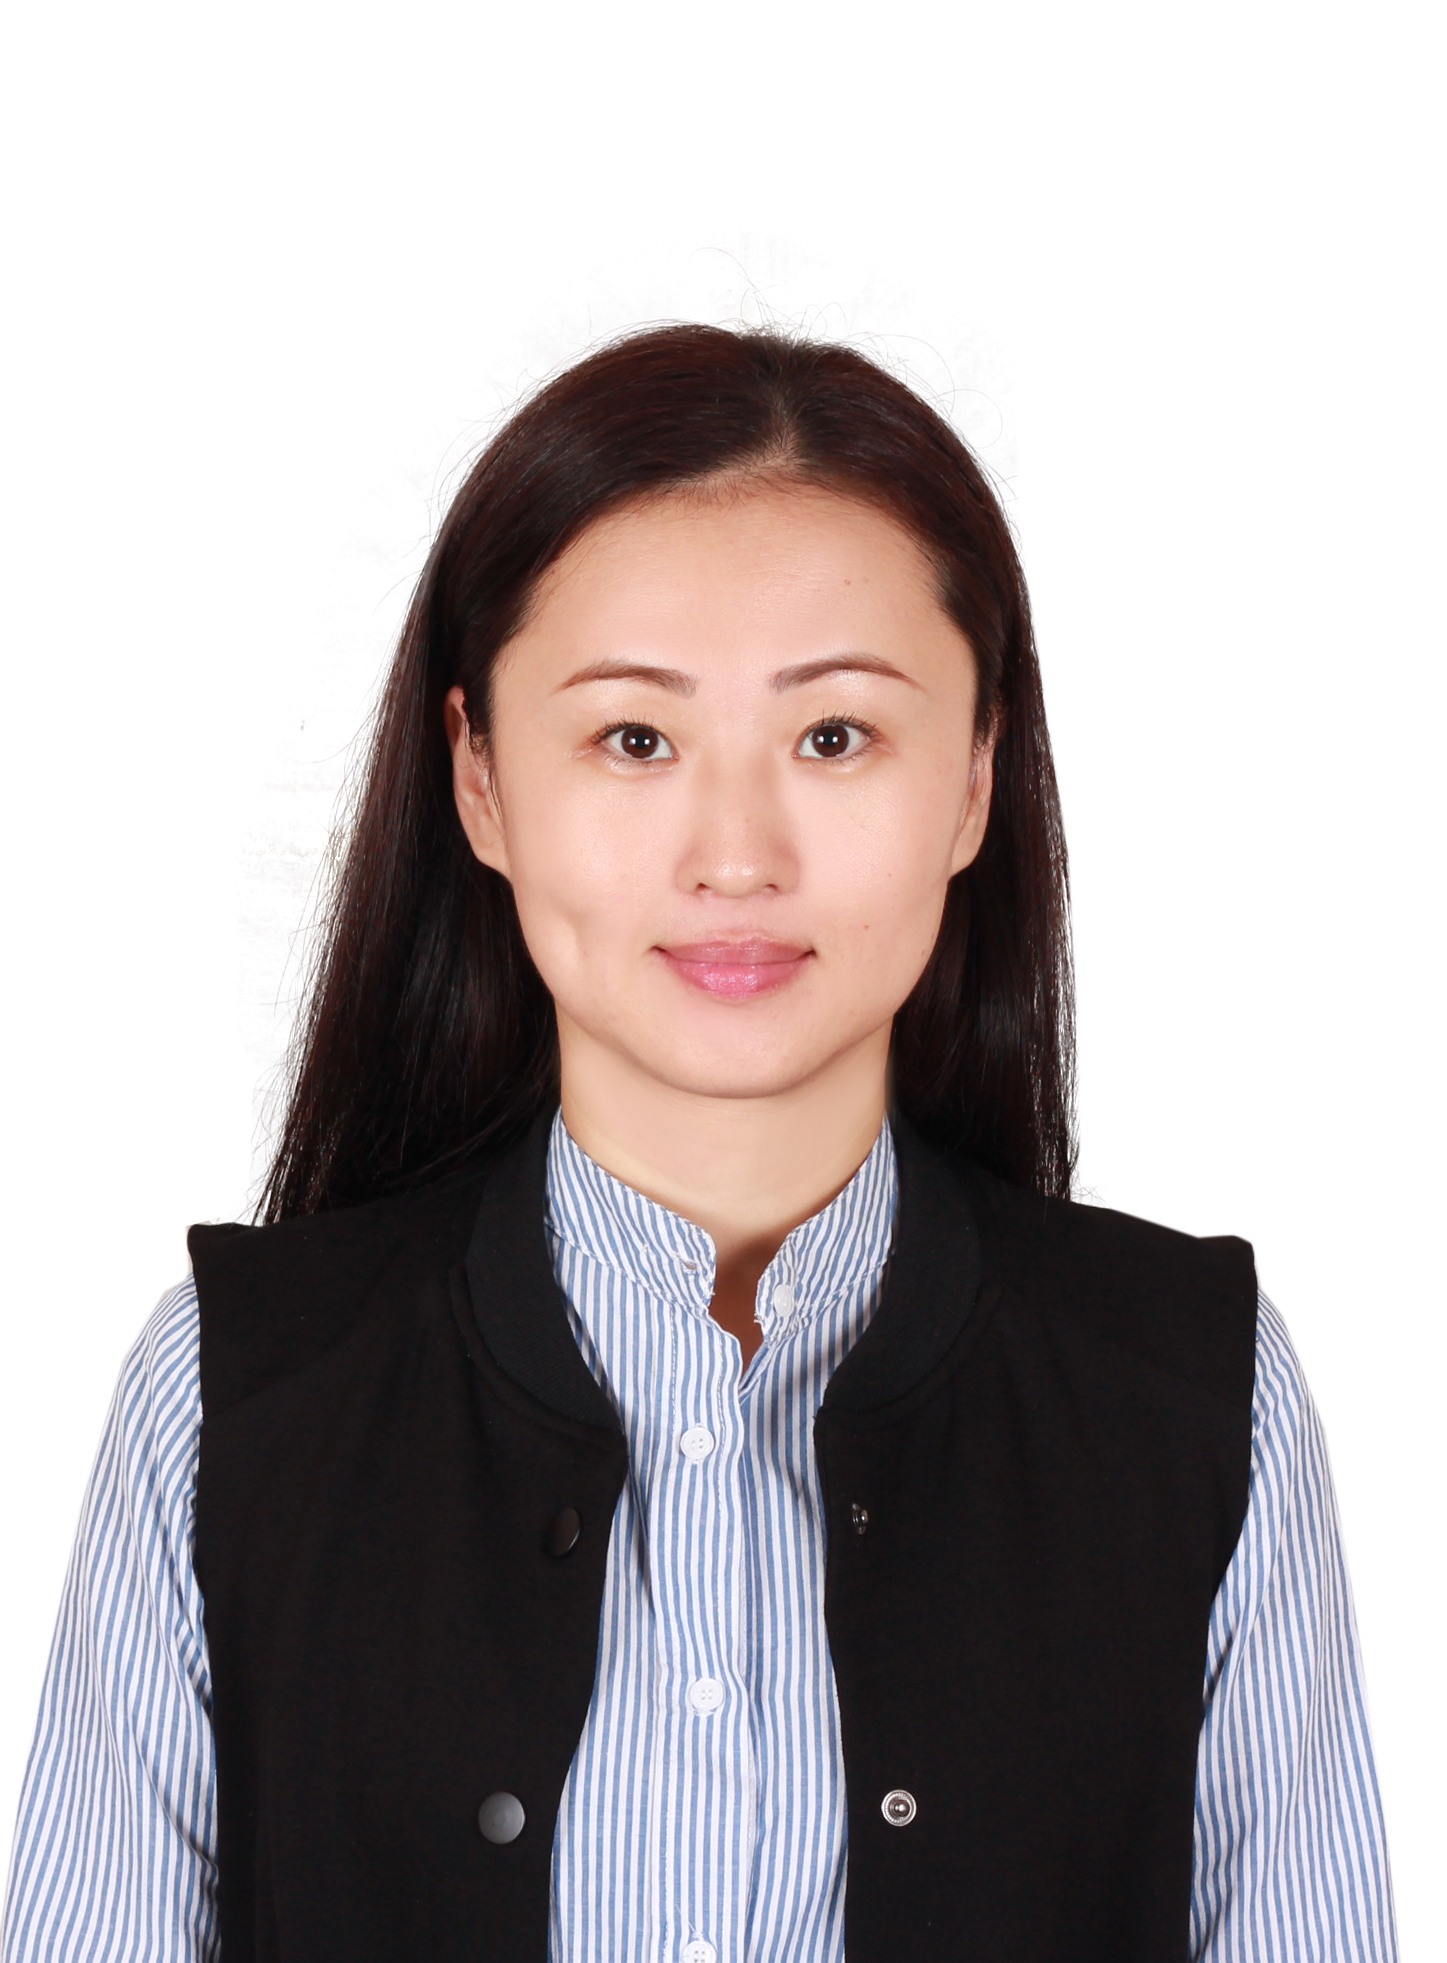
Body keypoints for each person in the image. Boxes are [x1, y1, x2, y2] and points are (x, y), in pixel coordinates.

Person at [1, 326, 1396, 1962]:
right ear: (479, 779)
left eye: (835, 737)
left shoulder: (1195, 1397)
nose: (736, 857)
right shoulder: (228, 1399)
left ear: (974, 780)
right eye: (635, 741)